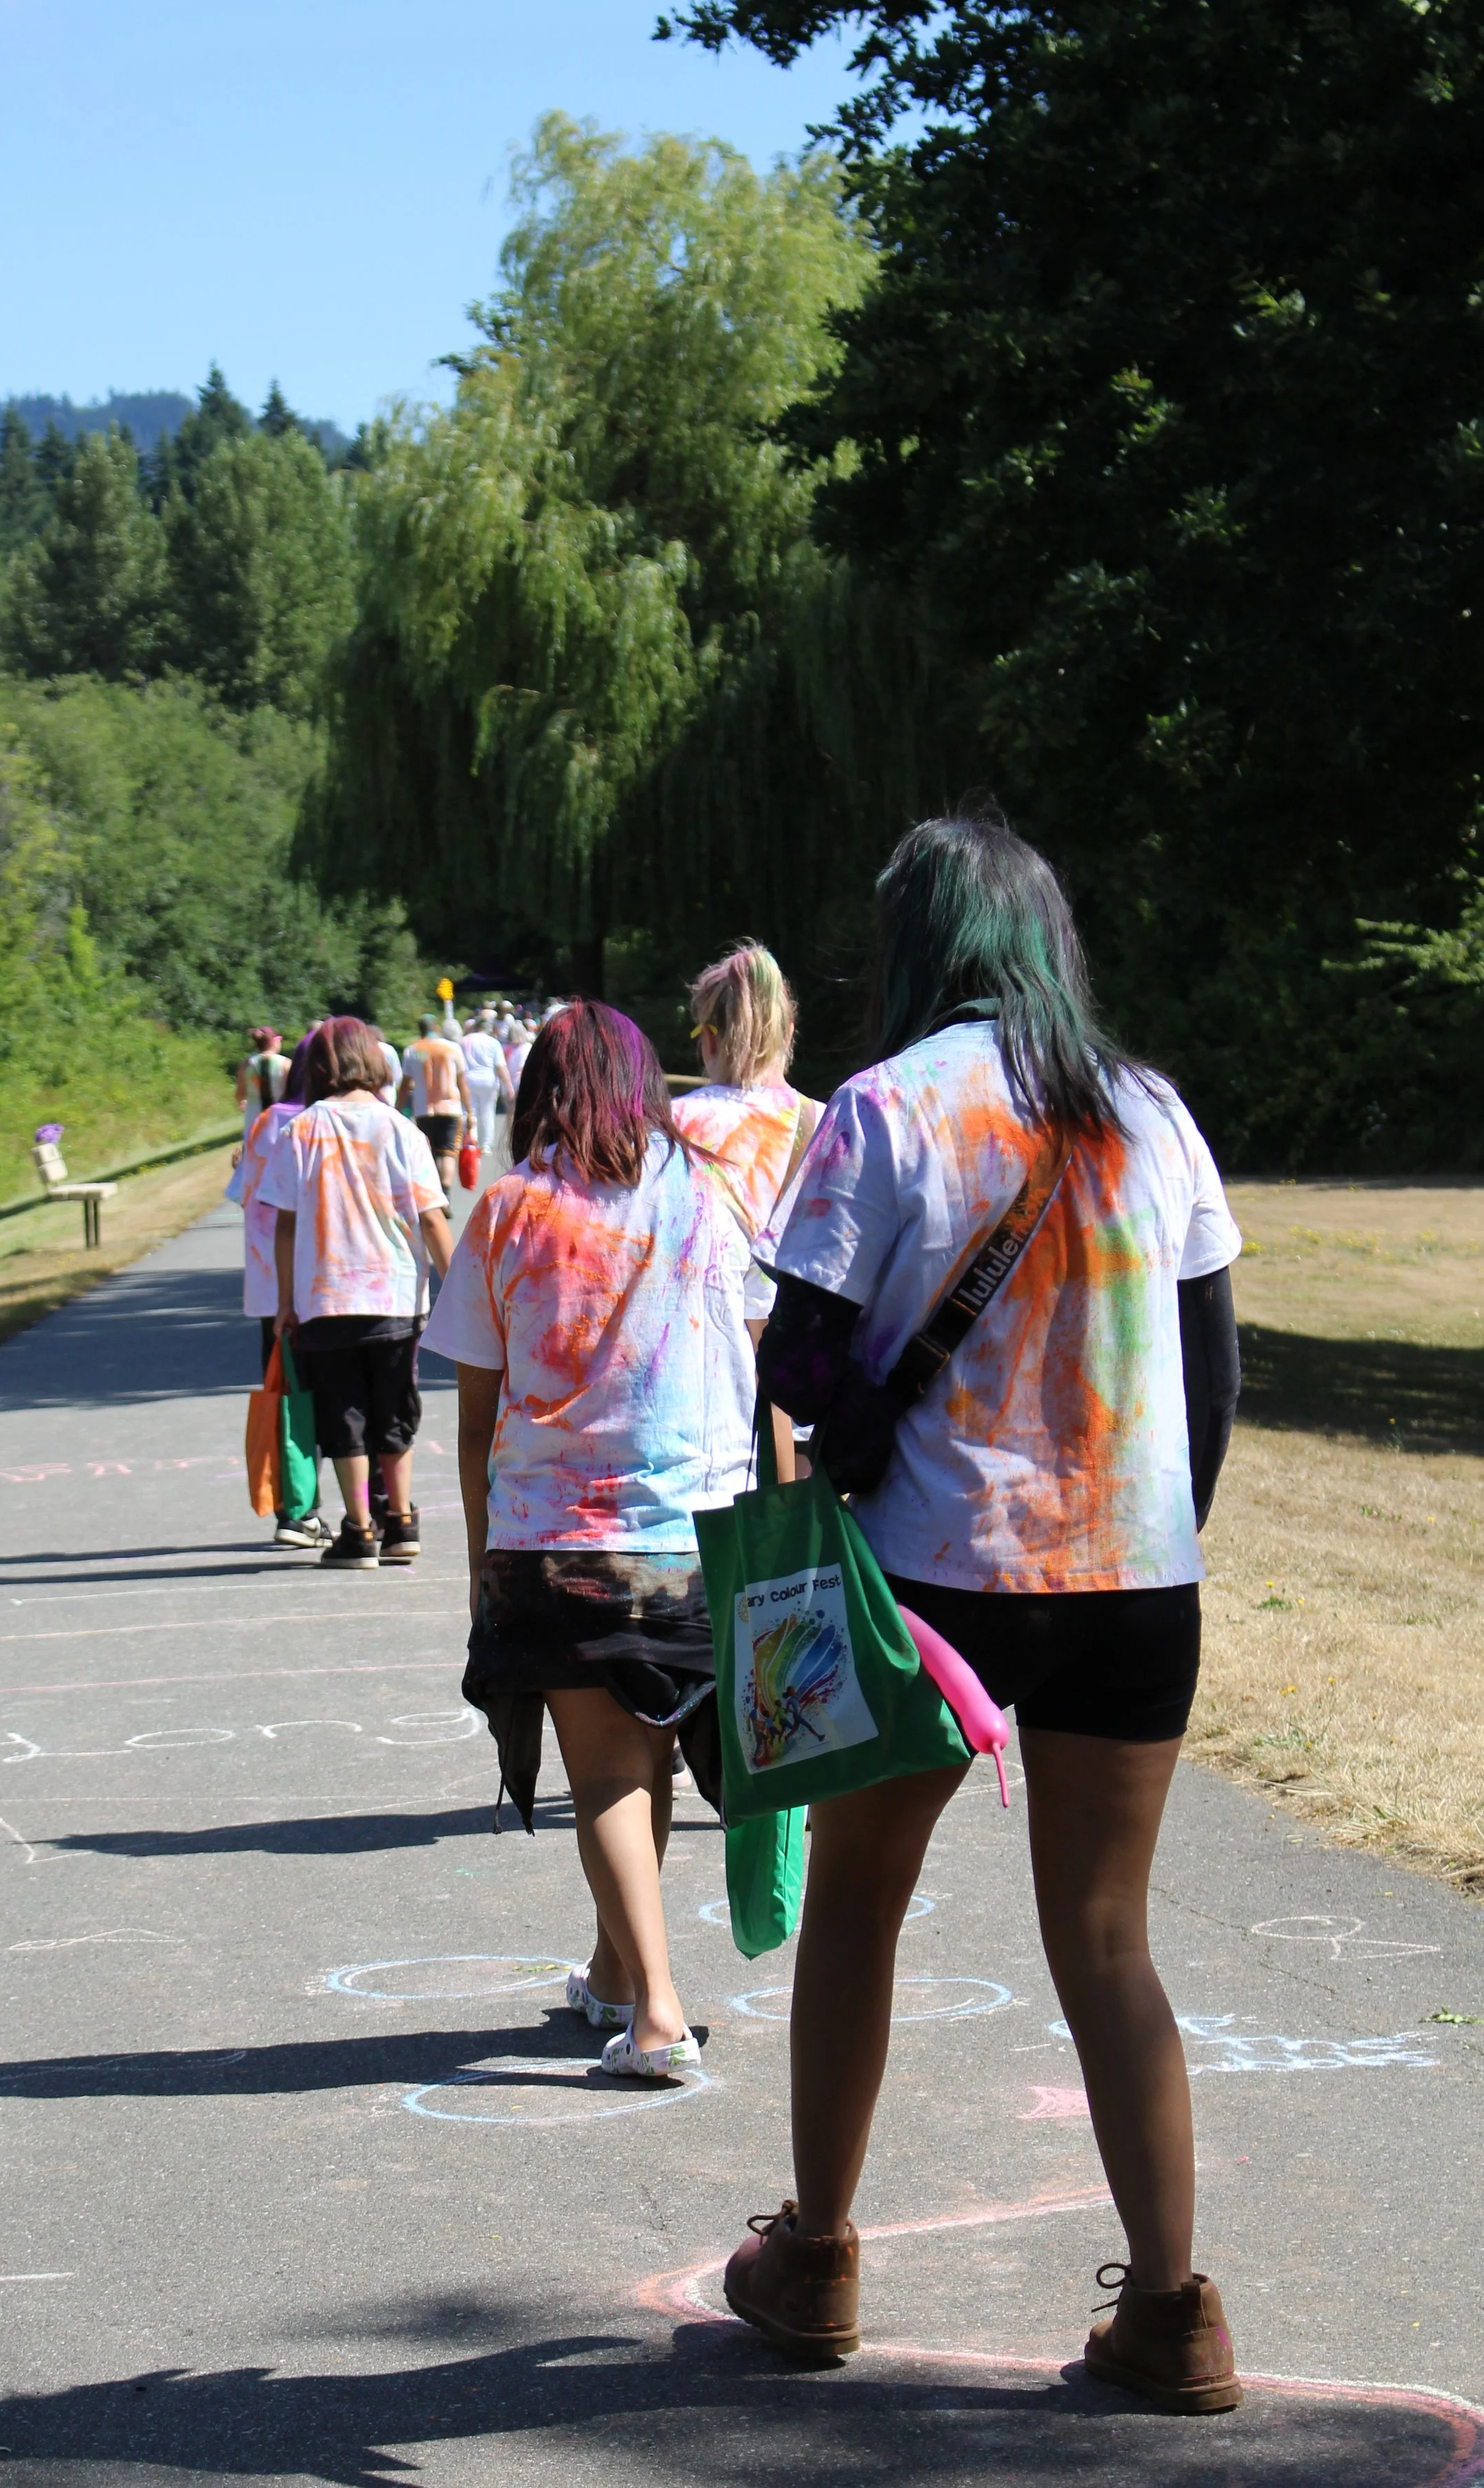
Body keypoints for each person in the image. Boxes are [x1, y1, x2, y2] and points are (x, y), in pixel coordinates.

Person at [720, 812, 1244, 2411]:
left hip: (930, 1574)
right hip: (1136, 1576)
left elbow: (796, 1365)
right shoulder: (1152, 1110)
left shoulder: (883, 1108)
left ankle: (815, 2256)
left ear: (917, 942)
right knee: (1109, 1938)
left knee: (861, 1905)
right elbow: (1211, 1364)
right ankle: (1173, 2308)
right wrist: (1159, 1532)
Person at [424, 1001, 757, 2079]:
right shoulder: (708, 1194)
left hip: (558, 1537)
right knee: (648, 1749)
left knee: (609, 1769)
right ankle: (615, 1973)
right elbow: (758, 1366)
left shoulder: (512, 1208)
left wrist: (482, 1554)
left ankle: (655, 2010)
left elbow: (478, 1413)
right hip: (698, 1531)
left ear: (542, 1094)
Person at [265, 1017, 457, 1570]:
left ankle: (360, 1529)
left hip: (324, 1297)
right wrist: (459, 1288)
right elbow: (432, 1220)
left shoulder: (300, 1131)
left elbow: (284, 1226)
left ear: (320, 1067)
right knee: (396, 1410)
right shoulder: (402, 1130)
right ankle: (401, 1521)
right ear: (375, 1062)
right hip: (395, 1295)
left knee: (343, 1415)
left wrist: (285, 1302)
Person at [673, 941, 826, 1475]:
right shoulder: (832, 1126)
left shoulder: (668, 1129)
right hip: (803, 1400)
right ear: (789, 1033)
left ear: (708, 1038)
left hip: (698, 1399)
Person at [229, 1039, 320, 1547]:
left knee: (287, 1397)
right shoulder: (324, 1121)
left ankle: (294, 1508)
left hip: (270, 1288)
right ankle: (367, 1508)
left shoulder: (268, 1123)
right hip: (323, 1283)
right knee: (337, 1398)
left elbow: (245, 1197)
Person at [399, 1014, 474, 1195]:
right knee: (448, 1152)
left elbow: (405, 1085)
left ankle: (434, 1193)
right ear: (437, 1028)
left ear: (420, 1029)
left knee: (429, 1153)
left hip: (423, 1110)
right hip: (450, 1108)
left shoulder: (412, 1051)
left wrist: (398, 1109)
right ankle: (446, 1191)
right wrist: (470, 1111)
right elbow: (462, 1083)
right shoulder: (452, 1048)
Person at [460, 1008, 513, 1159]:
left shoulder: (464, 1041)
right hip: (488, 1080)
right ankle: (486, 1145)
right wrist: (508, 1085)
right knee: (488, 1112)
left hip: (468, 1079)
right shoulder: (494, 1042)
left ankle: (472, 1140)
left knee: (470, 1111)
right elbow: (500, 1066)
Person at [236, 1026, 288, 1136]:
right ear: (274, 1042)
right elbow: (291, 1092)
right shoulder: (285, 1063)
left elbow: (240, 1094)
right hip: (280, 1118)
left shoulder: (246, 1064)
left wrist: (243, 1101)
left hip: (254, 1118)